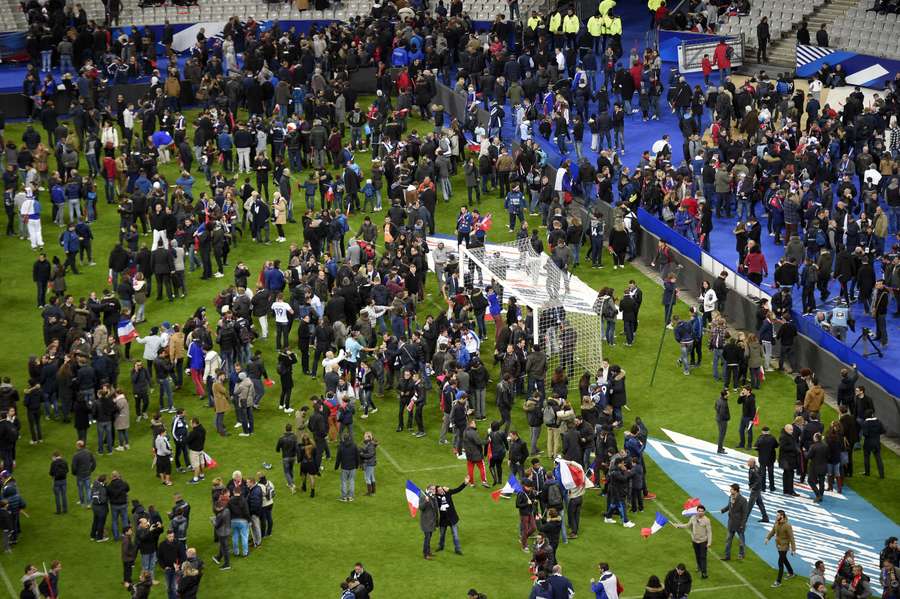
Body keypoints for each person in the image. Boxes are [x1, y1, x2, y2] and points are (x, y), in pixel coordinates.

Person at [672, 504, 712, 578]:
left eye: (702, 511)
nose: (700, 512)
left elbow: (709, 532)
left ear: (704, 512)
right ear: (697, 511)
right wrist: (678, 525)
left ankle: (704, 573)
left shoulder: (707, 520)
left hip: (703, 541)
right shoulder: (693, 517)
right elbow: (687, 525)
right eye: (699, 511)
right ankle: (700, 567)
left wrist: (709, 542)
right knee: (697, 556)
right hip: (695, 541)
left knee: (703, 557)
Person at [765, 510, 796, 587]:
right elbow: (773, 531)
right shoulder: (776, 523)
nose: (776, 517)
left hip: (784, 546)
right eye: (776, 515)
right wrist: (767, 538)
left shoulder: (787, 526)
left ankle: (778, 581)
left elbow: (791, 538)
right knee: (784, 559)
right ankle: (791, 572)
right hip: (778, 545)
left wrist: (793, 549)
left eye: (778, 515)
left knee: (780, 562)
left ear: (782, 516)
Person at [435, 479, 467, 554]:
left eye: (441, 488)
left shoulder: (448, 492)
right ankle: (441, 546)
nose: (441, 490)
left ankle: (458, 549)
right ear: (437, 492)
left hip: (452, 518)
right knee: (442, 535)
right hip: (443, 520)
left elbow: (457, 490)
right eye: (439, 490)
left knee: (455, 535)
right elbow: (429, 496)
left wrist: (465, 483)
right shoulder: (436, 497)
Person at [720, 483, 748, 560]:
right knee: (728, 541)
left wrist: (743, 524)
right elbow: (729, 506)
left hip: (739, 524)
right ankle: (727, 556)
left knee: (741, 542)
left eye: (731, 489)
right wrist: (723, 510)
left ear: (736, 490)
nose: (730, 490)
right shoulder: (730, 497)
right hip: (731, 523)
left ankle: (741, 554)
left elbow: (745, 513)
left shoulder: (743, 500)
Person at [418, 484, 439, 559]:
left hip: (432, 521)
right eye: (432, 489)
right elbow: (421, 507)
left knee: (429, 537)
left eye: (434, 489)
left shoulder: (433, 496)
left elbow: (435, 509)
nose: (434, 490)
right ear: (429, 489)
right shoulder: (424, 496)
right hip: (426, 522)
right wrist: (426, 501)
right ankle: (425, 554)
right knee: (427, 538)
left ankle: (428, 551)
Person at [746, 457, 769, 522]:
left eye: (749, 462)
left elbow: (758, 480)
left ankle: (743, 521)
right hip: (757, 489)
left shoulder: (754, 470)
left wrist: (752, 487)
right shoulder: (753, 468)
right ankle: (765, 517)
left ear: (752, 463)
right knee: (760, 503)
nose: (747, 462)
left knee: (749, 506)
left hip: (755, 490)